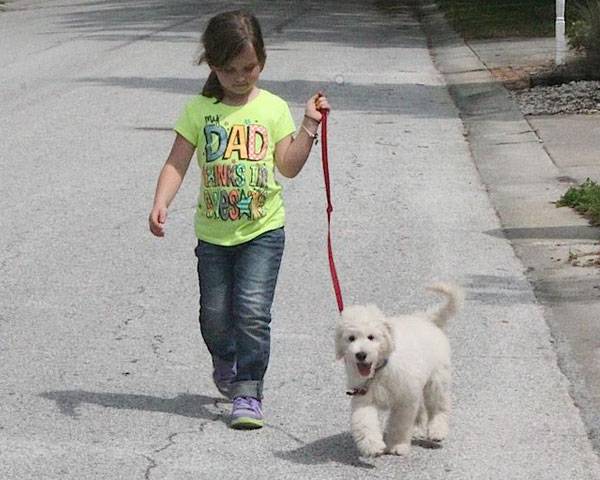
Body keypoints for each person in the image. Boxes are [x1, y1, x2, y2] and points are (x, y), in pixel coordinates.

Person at [148, 10, 330, 430]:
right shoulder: (199, 110)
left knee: (251, 311)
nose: (241, 77)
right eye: (230, 70)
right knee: (214, 315)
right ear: (212, 66)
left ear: (262, 59)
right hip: (212, 236)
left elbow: (288, 165)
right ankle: (225, 358)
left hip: (262, 232)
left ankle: (249, 390)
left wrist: (308, 126)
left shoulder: (272, 108)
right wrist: (161, 201)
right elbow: (176, 162)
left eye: (249, 67)